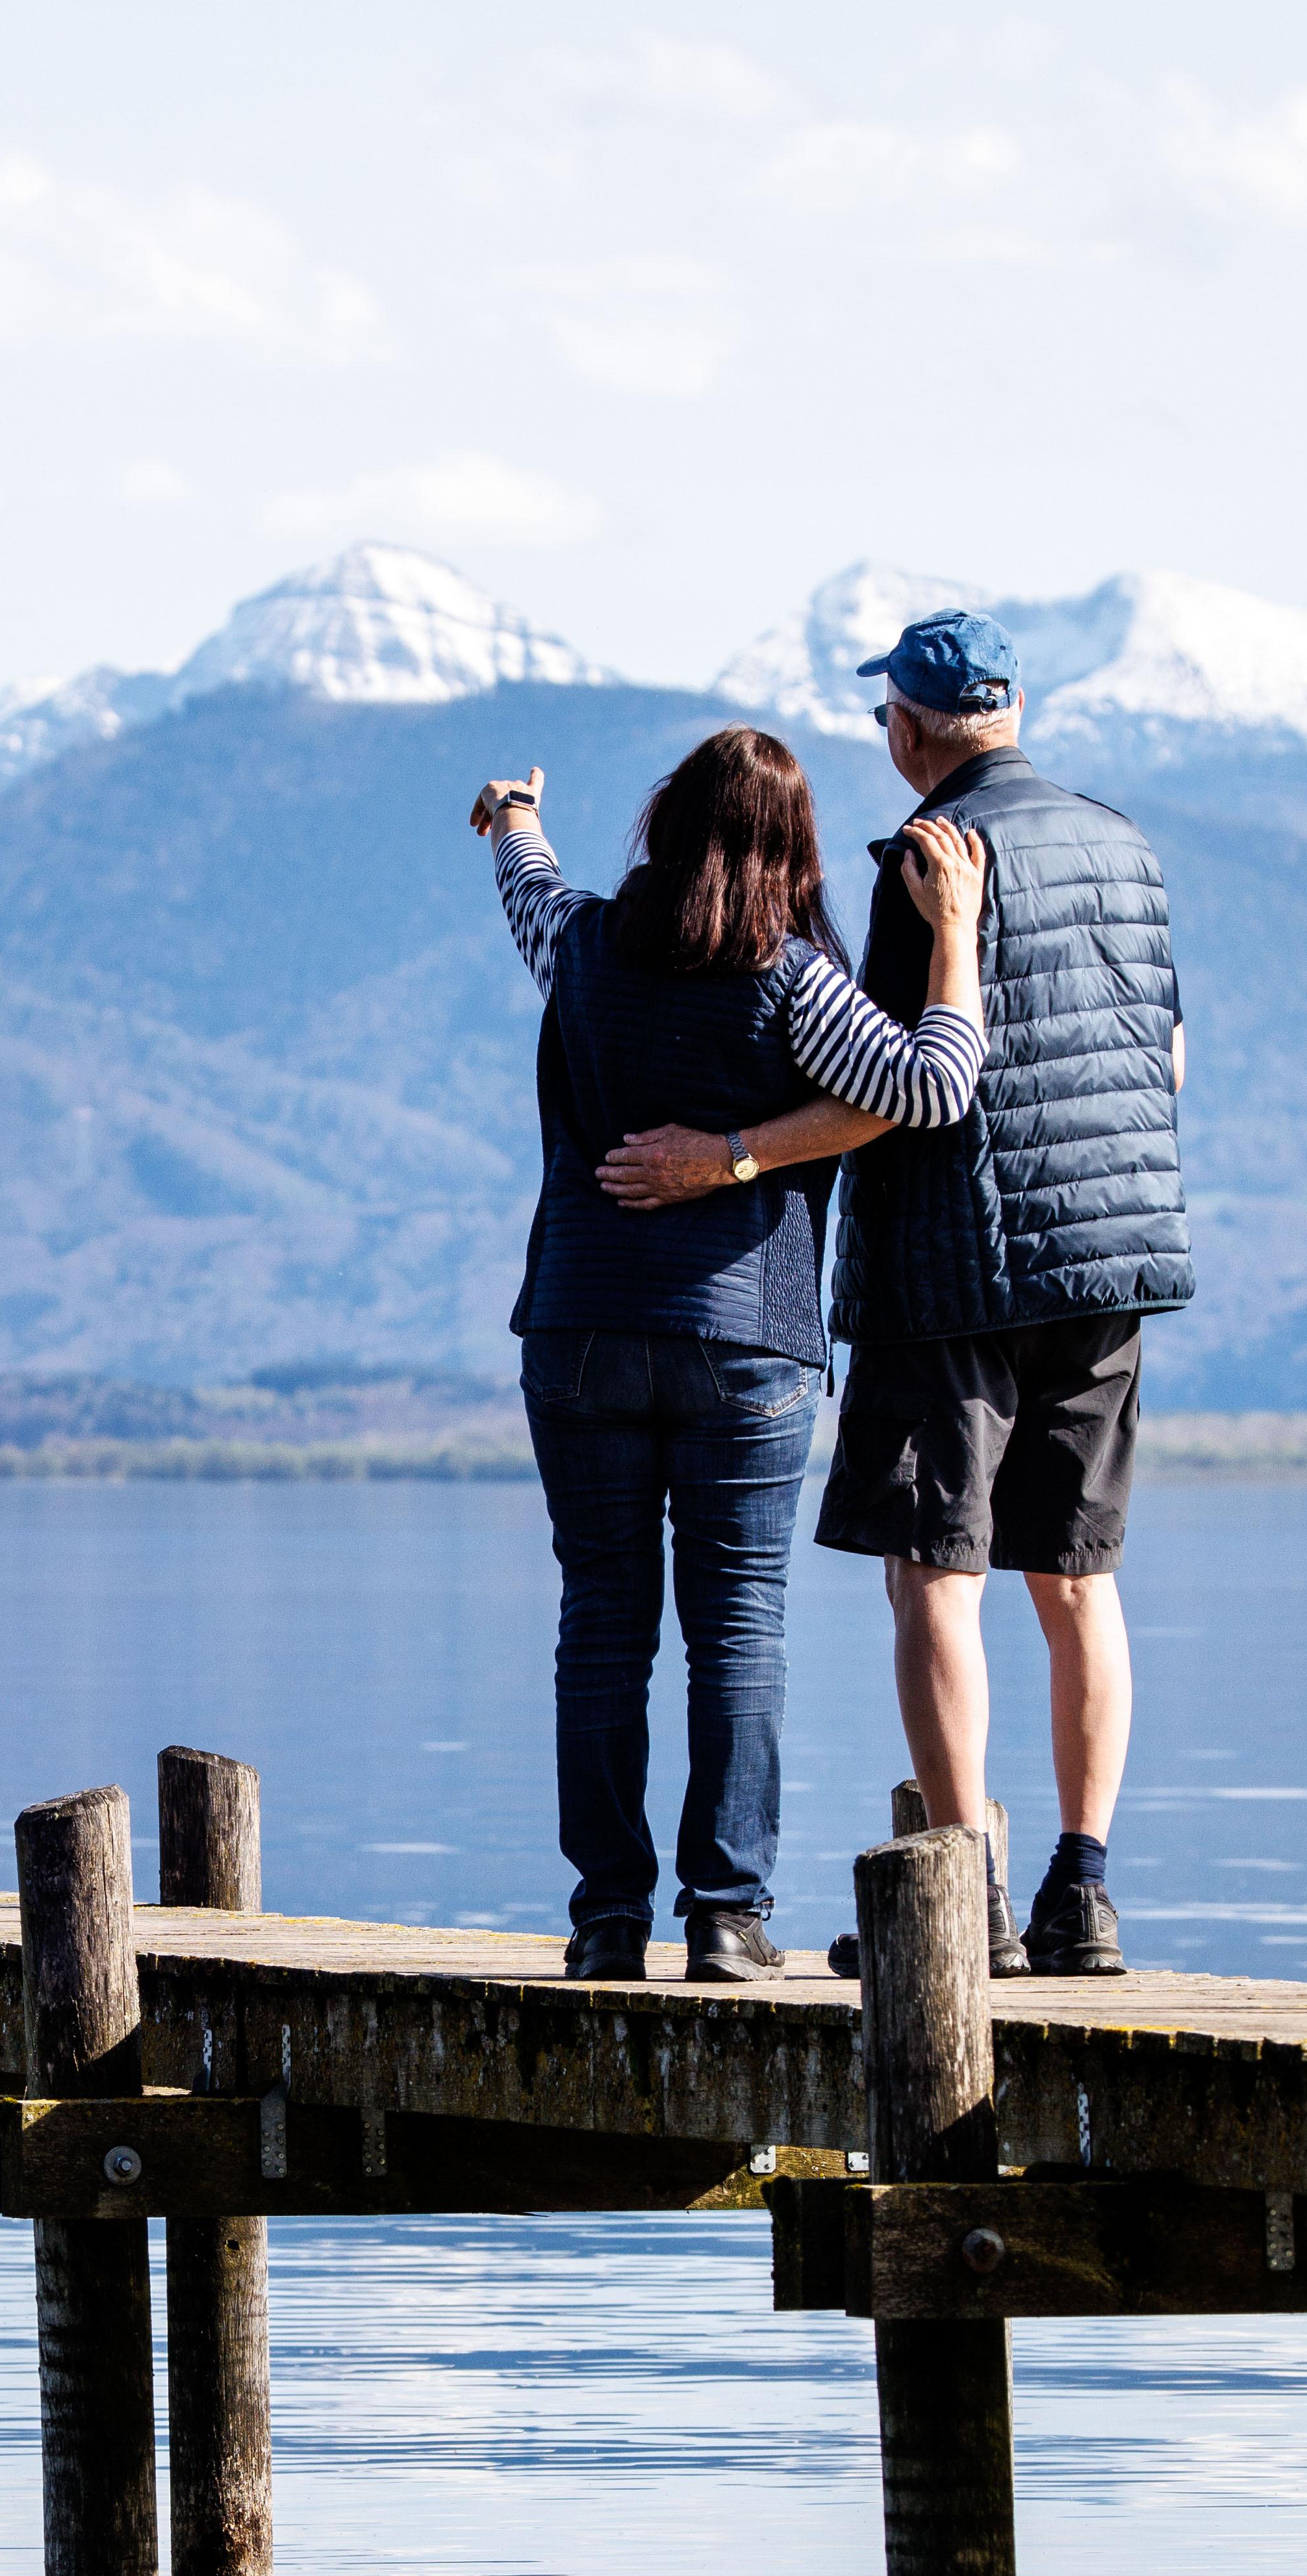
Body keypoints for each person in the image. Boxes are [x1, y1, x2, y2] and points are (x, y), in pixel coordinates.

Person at [599, 609, 1188, 1978]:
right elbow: (1165, 1059)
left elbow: (892, 1091)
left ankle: (962, 1897)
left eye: (884, 721)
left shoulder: (921, 861)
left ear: (915, 728)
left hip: (950, 1263)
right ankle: (1083, 1893)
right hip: (1110, 1260)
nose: (883, 741)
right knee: (1079, 1578)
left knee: (939, 1576)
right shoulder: (1129, 851)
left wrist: (727, 1157)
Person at [476, 730, 987, 1982]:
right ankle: (723, 1914)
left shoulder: (582, 949)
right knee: (737, 1631)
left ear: (666, 826)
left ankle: (606, 1920)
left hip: (580, 1328)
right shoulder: (796, 982)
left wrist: (512, 817)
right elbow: (934, 1085)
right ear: (791, 850)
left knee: (601, 1623)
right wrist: (957, 934)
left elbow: (527, 888)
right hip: (743, 1341)